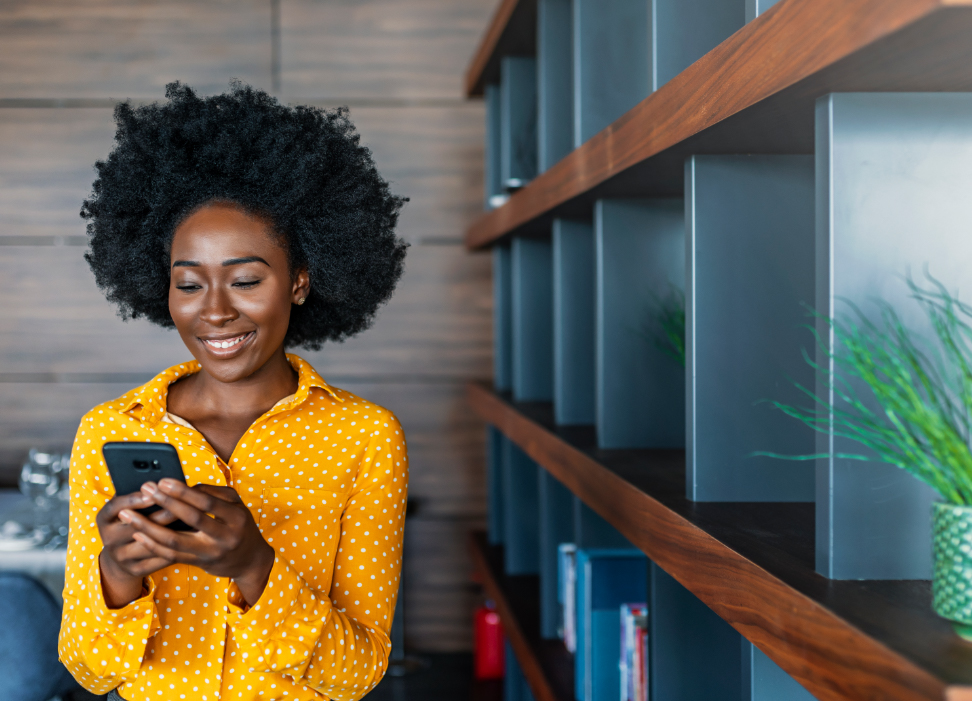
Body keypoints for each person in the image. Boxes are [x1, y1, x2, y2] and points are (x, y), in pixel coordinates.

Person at [57, 82, 410, 701]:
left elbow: (357, 676)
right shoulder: (112, 430)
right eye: (188, 285)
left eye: (245, 279)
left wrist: (254, 568)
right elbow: (91, 672)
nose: (215, 312)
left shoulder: (364, 436)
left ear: (299, 282)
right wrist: (116, 575)